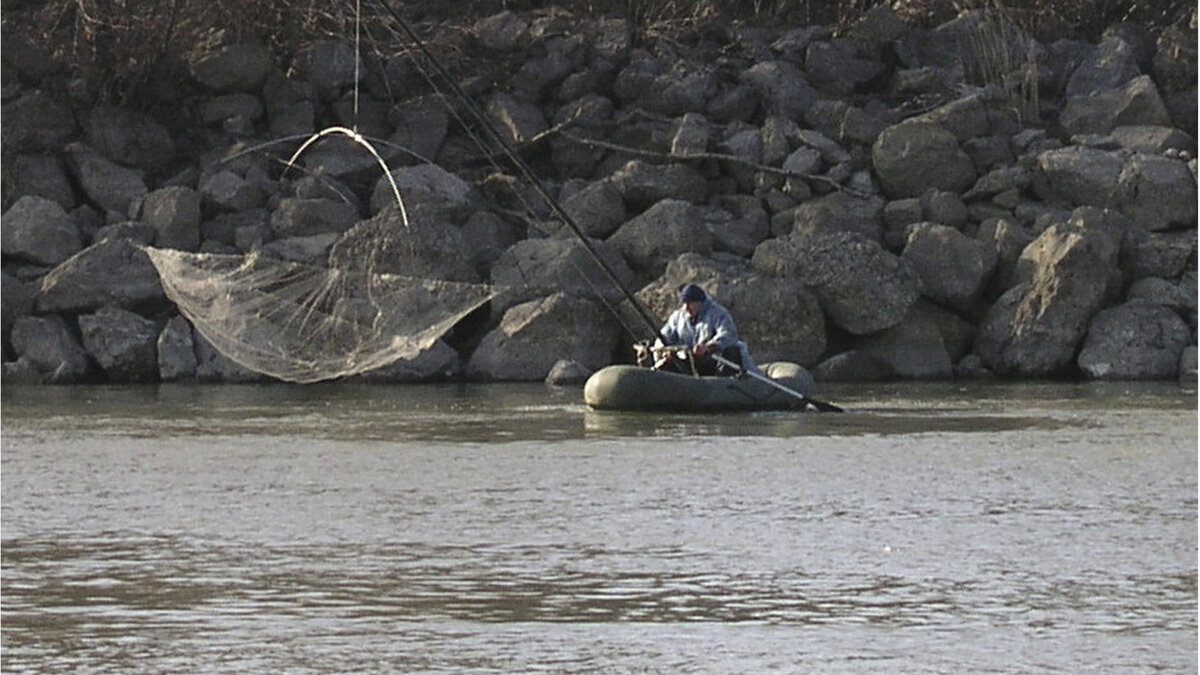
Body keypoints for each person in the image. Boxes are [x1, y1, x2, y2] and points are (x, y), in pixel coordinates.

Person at [637, 283, 757, 376]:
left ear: (700, 302)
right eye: (684, 304)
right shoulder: (678, 316)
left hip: (713, 361)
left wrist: (708, 347)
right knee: (669, 361)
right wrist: (660, 350)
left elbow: (728, 335)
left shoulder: (717, 313)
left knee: (732, 350)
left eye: (690, 304)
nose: (686, 308)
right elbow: (664, 337)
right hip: (690, 362)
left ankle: (722, 386)